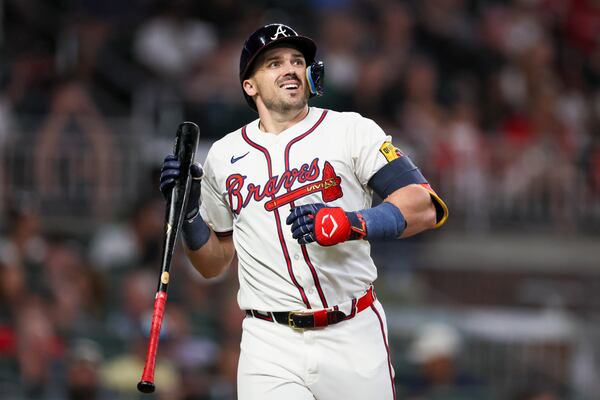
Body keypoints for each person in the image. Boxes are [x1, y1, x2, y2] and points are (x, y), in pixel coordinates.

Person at [159, 23, 449, 400]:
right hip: (269, 340)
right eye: (274, 63)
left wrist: (352, 223)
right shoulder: (224, 156)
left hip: (352, 329)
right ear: (250, 85)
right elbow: (213, 264)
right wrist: (188, 217)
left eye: (297, 60)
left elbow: (424, 205)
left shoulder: (350, 130)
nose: (290, 68)